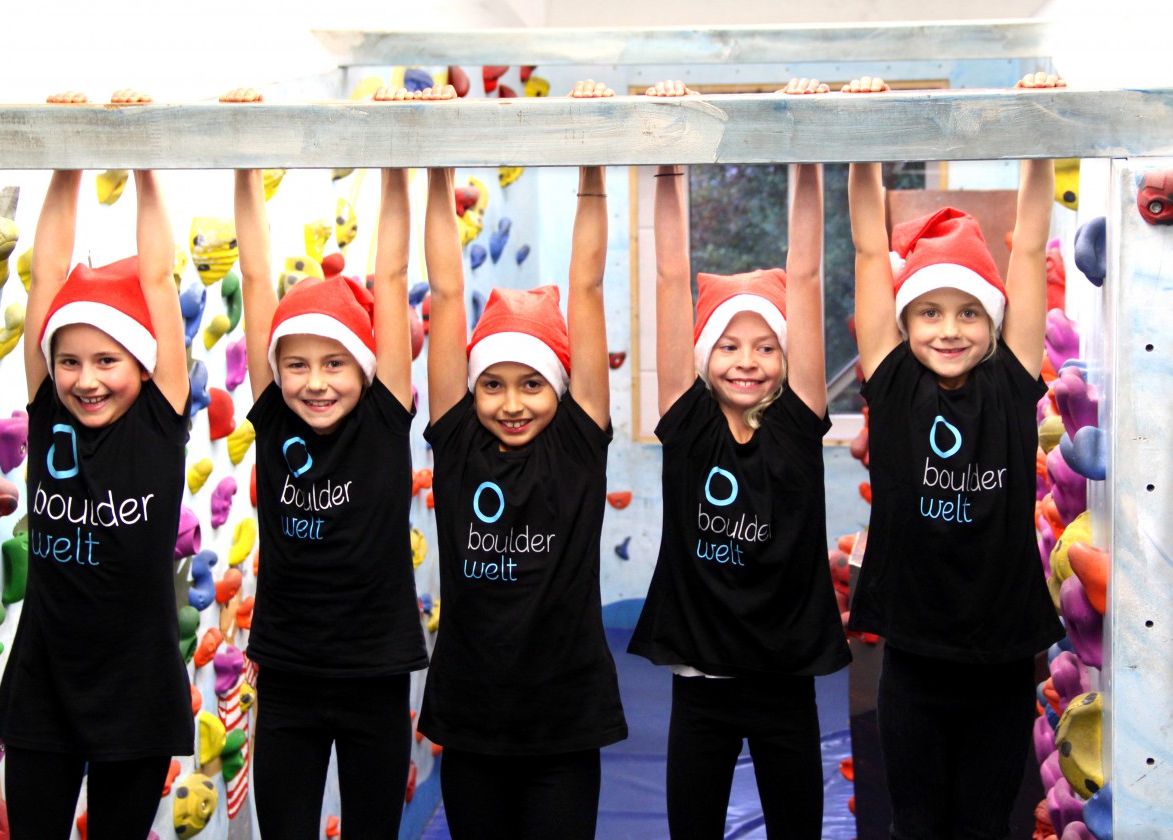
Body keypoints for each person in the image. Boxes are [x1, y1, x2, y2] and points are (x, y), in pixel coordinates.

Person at [844, 72, 1067, 838]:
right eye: (930, 313)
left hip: (1001, 657)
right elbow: (869, 248)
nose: (949, 329)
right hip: (915, 654)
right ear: (903, 325)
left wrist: (1039, 133)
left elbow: (1028, 245)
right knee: (916, 822)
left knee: (982, 823)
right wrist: (863, 133)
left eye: (970, 313)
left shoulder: (1010, 383)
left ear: (994, 324)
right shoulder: (894, 384)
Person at [627, 78, 851, 839]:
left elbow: (808, 275)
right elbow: (669, 277)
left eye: (765, 346)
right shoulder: (686, 422)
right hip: (703, 681)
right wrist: (670, 154)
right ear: (703, 357)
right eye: (728, 345)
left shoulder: (797, 424)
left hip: (786, 678)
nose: (747, 361)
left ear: (787, 361)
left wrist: (806, 146)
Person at [419, 79, 627, 840]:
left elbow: (587, 286)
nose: (511, 402)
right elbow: (447, 295)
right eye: (493, 384)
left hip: (563, 719)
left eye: (532, 384)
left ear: (560, 389)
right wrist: (435, 163)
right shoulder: (458, 444)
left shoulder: (576, 444)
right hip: (472, 718)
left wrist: (594, 161)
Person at [0, 89, 193, 840]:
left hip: (136, 688)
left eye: (107, 360)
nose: (85, 379)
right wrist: (66, 155)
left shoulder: (159, 420)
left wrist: (143, 157)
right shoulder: (49, 411)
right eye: (69, 360)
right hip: (45, 682)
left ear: (141, 364)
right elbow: (44, 279)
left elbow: (159, 280)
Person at [226, 85, 428, 838]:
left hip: (376, 673)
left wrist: (398, 153)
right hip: (287, 674)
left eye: (335, 363)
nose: (315, 382)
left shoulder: (383, 413)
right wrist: (245, 158)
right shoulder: (275, 413)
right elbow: (255, 277)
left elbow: (391, 275)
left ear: (365, 368)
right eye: (298, 364)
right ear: (277, 370)